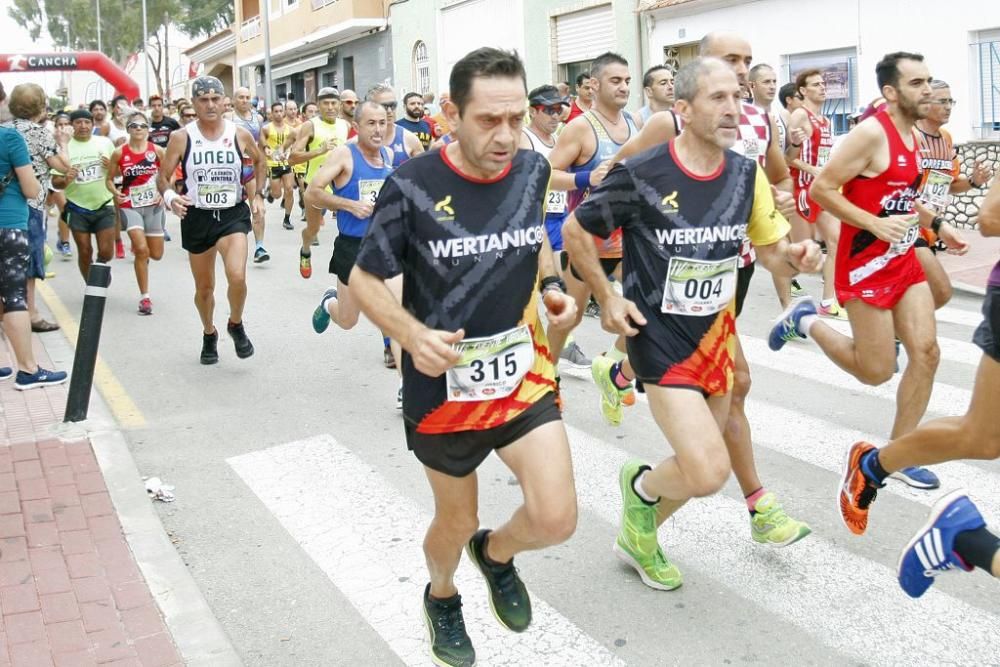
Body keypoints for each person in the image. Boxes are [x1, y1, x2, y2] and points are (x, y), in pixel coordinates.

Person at [351, 47, 578, 667]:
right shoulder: (413, 185)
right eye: (488, 120)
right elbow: (365, 281)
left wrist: (554, 288)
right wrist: (410, 334)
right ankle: (443, 594)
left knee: (557, 519)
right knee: (455, 521)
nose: (506, 136)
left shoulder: (532, 171)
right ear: (451, 113)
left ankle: (497, 554)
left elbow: (536, 243)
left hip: (520, 373)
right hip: (444, 385)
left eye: (516, 118)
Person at [562, 56, 821, 590]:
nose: (734, 109)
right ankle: (641, 491)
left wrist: (797, 255)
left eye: (739, 96)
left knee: (700, 460)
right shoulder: (644, 174)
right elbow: (575, 230)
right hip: (658, 339)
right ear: (682, 108)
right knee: (705, 471)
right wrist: (608, 297)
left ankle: (639, 533)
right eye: (718, 98)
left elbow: (771, 253)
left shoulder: (744, 174)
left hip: (715, 337)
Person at [609, 32, 811, 548]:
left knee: (727, 395)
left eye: (746, 63)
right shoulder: (666, 123)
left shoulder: (758, 121)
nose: (741, 73)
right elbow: (618, 174)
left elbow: (775, 181)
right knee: (731, 397)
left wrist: (790, 243)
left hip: (730, 269)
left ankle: (647, 521)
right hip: (668, 292)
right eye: (729, 62)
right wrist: (647, 231)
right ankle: (756, 501)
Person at [771, 52, 969, 498]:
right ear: (891, 92)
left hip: (901, 258)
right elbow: (823, 188)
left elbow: (901, 195)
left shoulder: (914, 135)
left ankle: (898, 453)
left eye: (928, 80)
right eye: (917, 83)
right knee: (875, 371)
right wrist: (872, 224)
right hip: (863, 262)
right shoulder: (870, 133)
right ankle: (804, 320)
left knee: (927, 352)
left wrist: (936, 226)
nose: (928, 90)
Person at [840, 171, 1000, 599]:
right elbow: (990, 216)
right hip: (879, 253)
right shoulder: (873, 137)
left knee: (979, 433)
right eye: (935, 96)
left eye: (947, 97)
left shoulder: (938, 142)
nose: (939, 102)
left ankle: (884, 466)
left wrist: (942, 217)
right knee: (980, 434)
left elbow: (938, 188)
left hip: (909, 247)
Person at [546, 52, 638, 414]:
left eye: (628, 81)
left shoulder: (633, 123)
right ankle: (546, 377)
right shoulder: (581, 127)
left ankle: (612, 366)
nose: (624, 87)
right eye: (616, 81)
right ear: (594, 85)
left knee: (646, 305)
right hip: (586, 240)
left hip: (627, 238)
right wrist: (586, 178)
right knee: (569, 314)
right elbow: (547, 175)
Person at [157, 76, 266, 364]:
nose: (210, 105)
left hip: (232, 213)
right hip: (198, 216)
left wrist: (257, 196)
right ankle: (209, 332)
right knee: (204, 289)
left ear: (224, 101)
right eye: (203, 100)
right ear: (194, 103)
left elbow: (259, 161)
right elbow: (163, 177)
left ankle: (236, 323)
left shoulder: (239, 133)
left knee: (238, 276)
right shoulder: (182, 137)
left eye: (215, 99)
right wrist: (171, 198)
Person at [518, 85, 588, 370]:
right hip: (535, 220)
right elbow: (536, 179)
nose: (555, 115)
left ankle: (560, 344)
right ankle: (538, 350)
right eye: (548, 110)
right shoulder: (525, 139)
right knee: (536, 290)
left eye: (559, 109)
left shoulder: (561, 138)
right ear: (533, 111)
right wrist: (582, 178)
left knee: (559, 286)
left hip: (560, 217)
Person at [0, 99, 67, 390]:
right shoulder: (9, 137)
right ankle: (28, 369)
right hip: (9, 223)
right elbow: (31, 188)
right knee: (14, 297)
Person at [913, 80, 993, 309]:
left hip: (931, 228)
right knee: (940, 290)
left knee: (921, 292)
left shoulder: (946, 138)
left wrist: (974, 181)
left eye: (951, 101)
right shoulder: (910, 136)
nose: (949, 107)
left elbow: (950, 183)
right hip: (909, 225)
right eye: (942, 101)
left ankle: (897, 333)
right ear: (925, 103)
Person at [4, 83, 70, 333]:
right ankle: (30, 312)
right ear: (40, 107)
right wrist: (63, 143)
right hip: (31, 203)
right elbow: (63, 166)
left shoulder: (4, 130)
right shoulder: (38, 133)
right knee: (29, 261)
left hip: (6, 204)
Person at [783, 68, 845, 317]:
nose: (822, 88)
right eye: (816, 84)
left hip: (821, 189)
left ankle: (829, 302)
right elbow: (787, 158)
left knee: (836, 240)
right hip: (802, 189)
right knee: (799, 250)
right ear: (803, 90)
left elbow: (825, 157)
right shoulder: (800, 115)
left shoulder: (826, 121)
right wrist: (813, 169)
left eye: (823, 84)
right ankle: (785, 293)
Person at [107, 111, 166, 315]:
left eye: (142, 126)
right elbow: (109, 179)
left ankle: (144, 253)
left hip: (154, 206)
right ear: (128, 129)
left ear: (148, 129)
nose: (138, 129)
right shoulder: (119, 153)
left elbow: (169, 176)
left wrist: (163, 193)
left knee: (156, 254)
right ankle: (145, 298)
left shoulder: (157, 151)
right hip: (130, 204)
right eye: (134, 126)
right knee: (141, 250)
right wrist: (115, 192)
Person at [289, 87, 349, 278]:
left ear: (339, 105)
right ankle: (305, 249)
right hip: (315, 186)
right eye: (326, 103)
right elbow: (292, 158)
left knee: (349, 226)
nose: (330, 107)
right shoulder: (310, 126)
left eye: (334, 103)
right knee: (313, 229)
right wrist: (319, 151)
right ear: (318, 105)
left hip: (341, 185)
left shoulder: (345, 125)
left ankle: (347, 267)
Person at [49, 110, 116, 281]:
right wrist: (65, 180)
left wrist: (112, 167)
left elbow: (120, 171)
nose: (83, 126)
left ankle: (100, 269)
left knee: (107, 252)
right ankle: (92, 286)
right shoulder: (64, 148)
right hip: (77, 206)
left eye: (87, 122)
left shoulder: (105, 143)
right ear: (72, 126)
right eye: (78, 122)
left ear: (93, 124)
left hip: (104, 203)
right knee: (85, 251)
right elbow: (55, 181)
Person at [230, 87, 269, 264]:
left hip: (252, 166)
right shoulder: (227, 118)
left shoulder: (258, 118)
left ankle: (259, 247)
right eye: (241, 97)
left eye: (247, 97)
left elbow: (261, 141)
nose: (244, 100)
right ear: (234, 100)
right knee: (230, 207)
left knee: (258, 208)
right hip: (233, 169)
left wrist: (267, 151)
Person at [260, 101, 295, 230]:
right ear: (272, 113)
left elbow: (295, 142)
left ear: (284, 112)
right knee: (277, 195)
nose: (279, 114)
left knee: (289, 189)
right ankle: (271, 191)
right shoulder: (266, 128)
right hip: (273, 163)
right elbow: (262, 140)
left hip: (286, 163)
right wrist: (266, 148)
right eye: (276, 111)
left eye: (281, 111)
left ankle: (287, 218)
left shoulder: (290, 129)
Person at [635, 65, 675, 129]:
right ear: (649, 91)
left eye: (672, 82)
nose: (671, 87)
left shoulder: (682, 116)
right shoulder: (638, 120)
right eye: (663, 83)